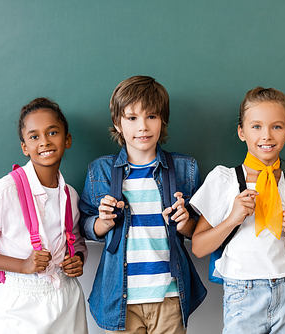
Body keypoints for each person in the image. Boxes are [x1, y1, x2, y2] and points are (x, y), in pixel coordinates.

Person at [79, 75, 206, 333]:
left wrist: (184, 222)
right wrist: (103, 222)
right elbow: (85, 226)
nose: (143, 127)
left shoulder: (185, 169)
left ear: (162, 120)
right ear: (118, 122)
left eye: (151, 116)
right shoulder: (100, 171)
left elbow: (198, 231)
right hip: (120, 298)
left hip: (169, 295)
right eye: (132, 118)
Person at [191, 87, 285, 334]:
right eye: (256, 126)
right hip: (242, 293)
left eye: (277, 127)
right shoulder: (224, 181)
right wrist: (232, 219)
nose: (267, 136)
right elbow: (198, 247)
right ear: (241, 132)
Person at [0, 97, 88, 333]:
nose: (44, 142)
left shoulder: (69, 195)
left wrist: (78, 260)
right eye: (34, 136)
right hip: (23, 301)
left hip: (68, 297)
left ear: (67, 139)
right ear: (24, 148)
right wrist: (22, 264)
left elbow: (78, 242)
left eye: (53, 132)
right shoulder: (4, 192)